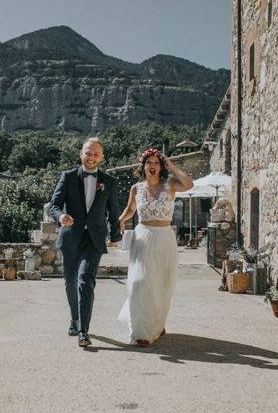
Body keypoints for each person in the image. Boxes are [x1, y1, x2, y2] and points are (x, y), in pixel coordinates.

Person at [49, 137, 121, 347]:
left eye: (96, 154)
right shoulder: (68, 177)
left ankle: (83, 331)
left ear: (102, 158)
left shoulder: (109, 182)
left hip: (94, 240)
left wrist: (115, 235)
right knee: (70, 281)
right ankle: (74, 319)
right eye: (88, 153)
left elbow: (113, 211)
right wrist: (61, 217)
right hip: (71, 237)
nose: (91, 157)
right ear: (81, 154)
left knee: (85, 280)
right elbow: (53, 205)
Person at [117, 147, 193, 347]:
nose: (152, 166)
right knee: (141, 283)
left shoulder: (171, 185)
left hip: (165, 238)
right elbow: (131, 209)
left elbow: (189, 183)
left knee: (161, 285)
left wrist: (172, 165)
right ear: (143, 166)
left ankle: (157, 324)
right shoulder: (136, 188)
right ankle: (141, 331)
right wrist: (121, 220)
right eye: (148, 162)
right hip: (143, 238)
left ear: (161, 167)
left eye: (156, 162)